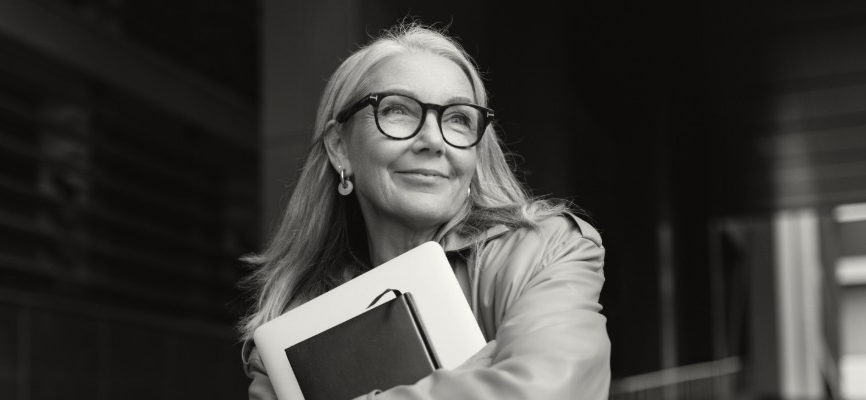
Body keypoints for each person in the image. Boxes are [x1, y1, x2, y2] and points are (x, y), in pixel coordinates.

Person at [238, 23, 610, 399]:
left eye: (458, 118)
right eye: (398, 110)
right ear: (340, 148)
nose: (433, 140)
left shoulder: (547, 251)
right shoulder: (285, 336)